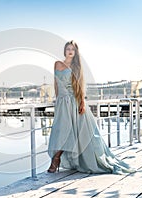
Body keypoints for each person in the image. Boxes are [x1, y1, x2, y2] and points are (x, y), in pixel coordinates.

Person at [47, 40, 135, 174]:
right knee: (61, 130)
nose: (70, 51)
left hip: (74, 102)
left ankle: (56, 160)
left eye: (73, 49)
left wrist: (81, 102)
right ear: (64, 50)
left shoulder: (77, 67)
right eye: (68, 48)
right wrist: (57, 100)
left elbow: (80, 86)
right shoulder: (57, 64)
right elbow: (55, 83)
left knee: (74, 131)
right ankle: (57, 159)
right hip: (61, 102)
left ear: (75, 52)